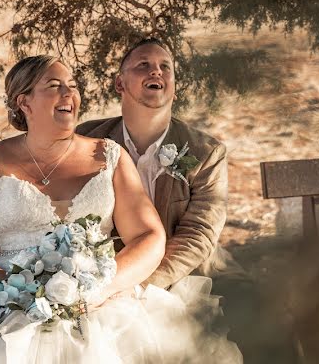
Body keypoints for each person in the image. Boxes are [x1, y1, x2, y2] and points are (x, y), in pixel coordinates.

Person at [0, 55, 242, 363]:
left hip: (104, 306)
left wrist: (104, 287)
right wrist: (20, 293)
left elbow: (149, 236)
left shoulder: (109, 156)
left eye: (73, 86)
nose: (69, 94)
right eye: (55, 85)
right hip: (8, 309)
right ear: (24, 102)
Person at [76, 38, 240, 289]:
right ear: (120, 83)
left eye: (166, 67)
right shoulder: (87, 140)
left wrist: (139, 288)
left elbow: (198, 234)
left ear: (174, 87)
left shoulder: (206, 153)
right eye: (143, 64)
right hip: (104, 276)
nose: (156, 71)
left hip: (188, 279)